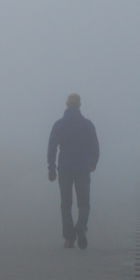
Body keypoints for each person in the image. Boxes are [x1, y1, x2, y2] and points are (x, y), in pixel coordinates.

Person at [47, 93, 99, 249]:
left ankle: (69, 239)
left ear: (66, 104)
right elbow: (95, 147)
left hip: (64, 169)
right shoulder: (87, 124)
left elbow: (52, 148)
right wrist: (93, 163)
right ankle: (81, 226)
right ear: (80, 105)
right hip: (83, 168)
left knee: (66, 204)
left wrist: (51, 168)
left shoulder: (59, 125)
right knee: (84, 203)